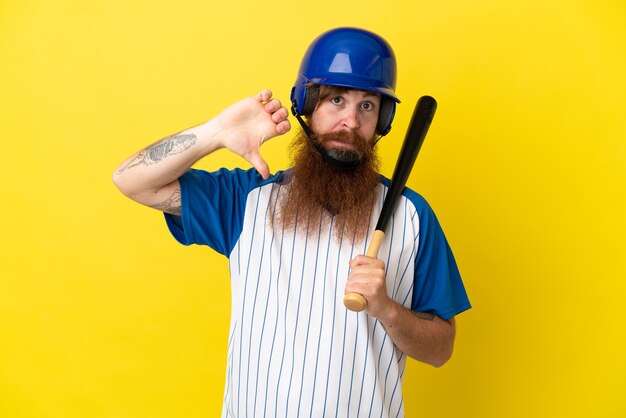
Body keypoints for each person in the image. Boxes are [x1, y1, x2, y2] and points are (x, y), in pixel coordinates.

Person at [113, 27, 470, 418]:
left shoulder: (413, 216)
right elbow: (131, 180)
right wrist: (216, 133)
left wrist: (387, 309)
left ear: (382, 119)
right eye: (336, 100)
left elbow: (440, 350)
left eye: (367, 106)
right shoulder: (245, 201)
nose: (350, 122)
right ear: (307, 104)